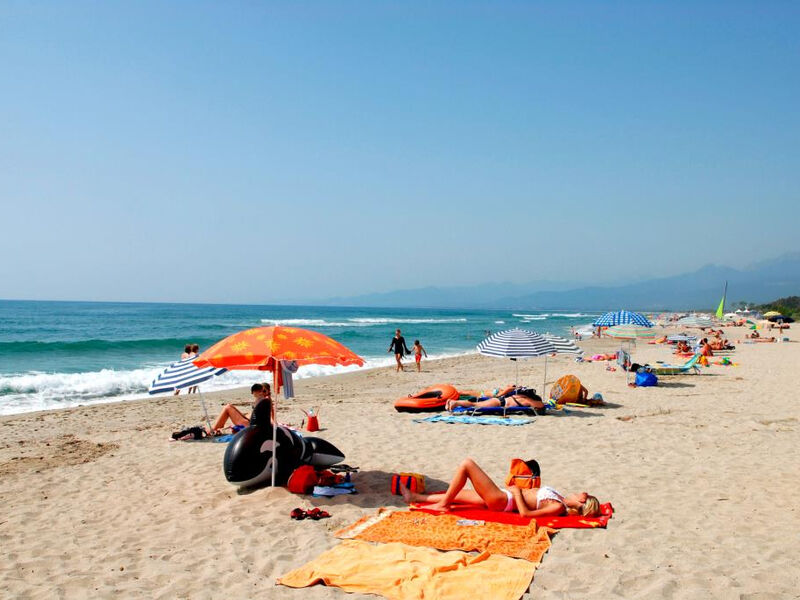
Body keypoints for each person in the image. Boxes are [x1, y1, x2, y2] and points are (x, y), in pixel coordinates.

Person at [399, 457, 600, 518]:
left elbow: (525, 514)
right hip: (505, 496)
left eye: (584, 494)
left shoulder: (558, 507)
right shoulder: (560, 498)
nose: (581, 491)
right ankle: (415, 497)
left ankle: (442, 505)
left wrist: (517, 492)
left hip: (504, 500)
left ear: (582, 500)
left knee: (467, 464)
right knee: (458, 495)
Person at [207, 383, 273, 435]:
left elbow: (270, 416)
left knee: (227, 407)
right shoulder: (264, 400)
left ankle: (214, 429)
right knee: (229, 406)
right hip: (249, 423)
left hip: (249, 425)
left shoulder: (264, 400)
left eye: (263, 391)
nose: (260, 392)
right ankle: (216, 428)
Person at [446, 388, 544, 412]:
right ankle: (455, 402)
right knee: (475, 405)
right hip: (499, 402)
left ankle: (451, 402)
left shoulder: (522, 396)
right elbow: (540, 405)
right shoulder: (527, 401)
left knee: (476, 404)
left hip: (499, 400)